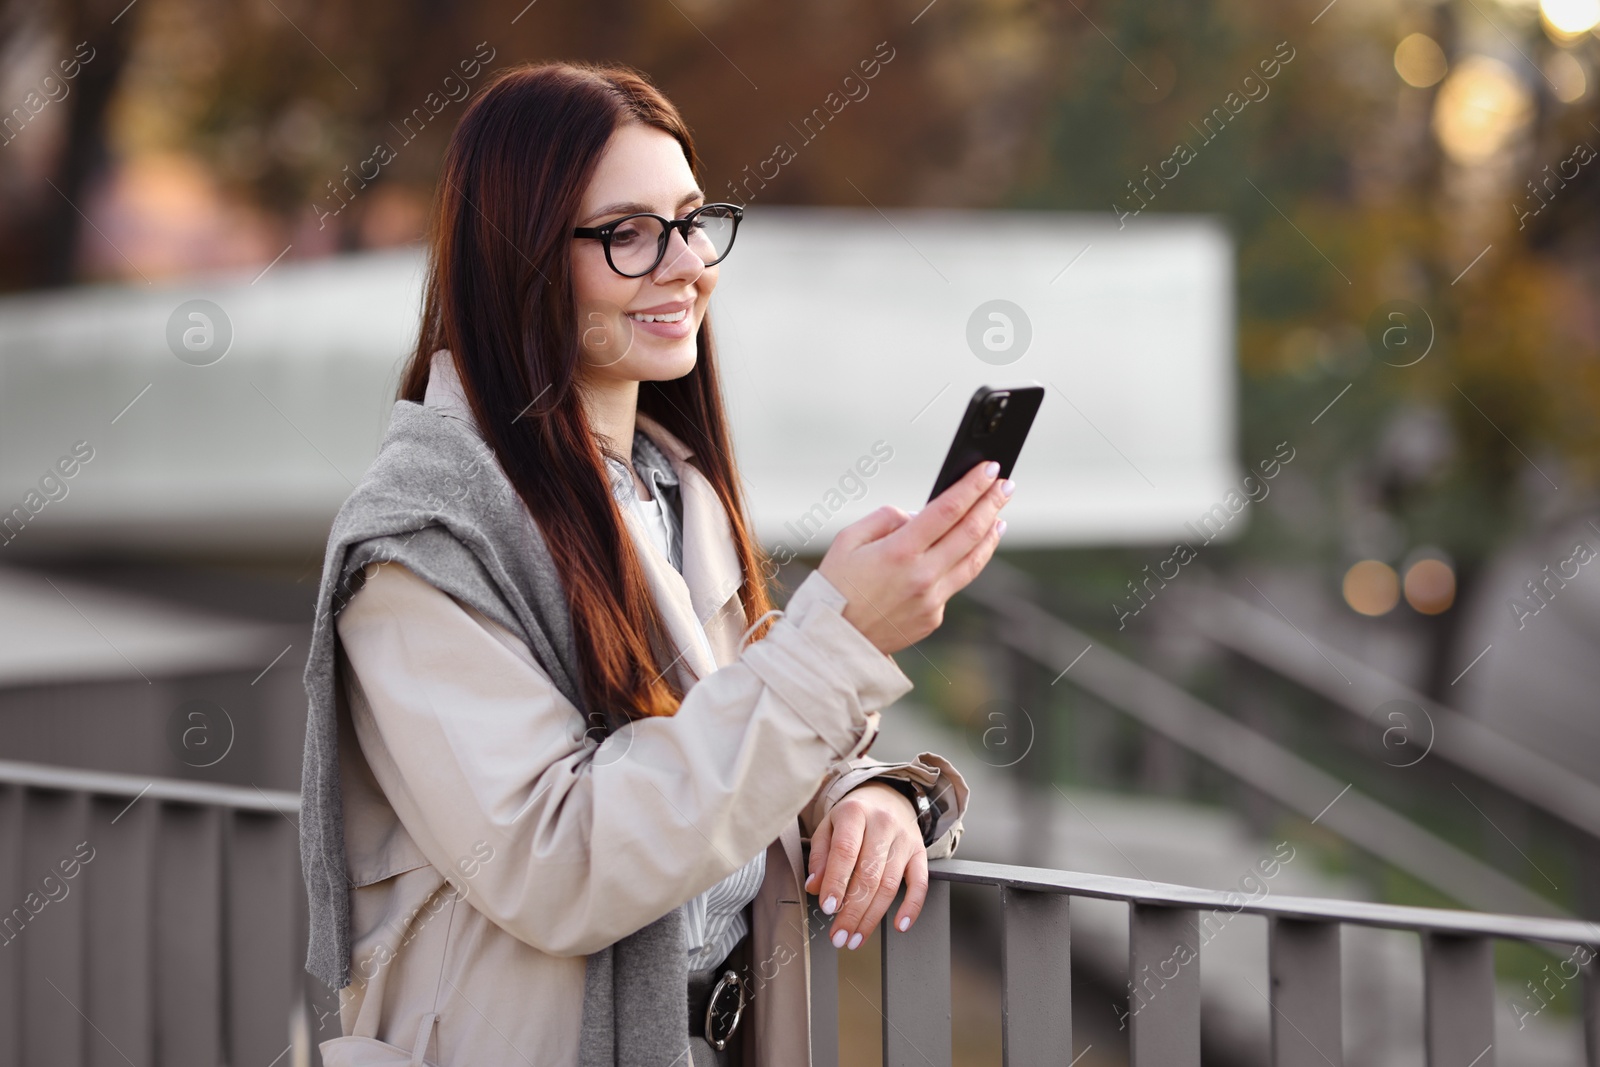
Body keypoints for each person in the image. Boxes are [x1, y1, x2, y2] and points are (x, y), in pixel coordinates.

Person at [299, 59, 1013, 1067]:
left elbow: (713, 753)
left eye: (690, 218)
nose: (687, 264)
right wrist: (837, 641)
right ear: (520, 258)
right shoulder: (426, 540)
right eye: (627, 233)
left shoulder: (675, 493)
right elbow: (562, 861)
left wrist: (877, 794)